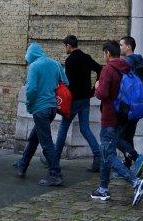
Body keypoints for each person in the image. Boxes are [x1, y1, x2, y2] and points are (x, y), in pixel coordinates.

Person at [90, 40, 143, 206]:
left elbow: (103, 93)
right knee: (108, 152)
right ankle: (102, 188)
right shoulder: (125, 67)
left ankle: (136, 182)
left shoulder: (108, 69)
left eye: (103, 53)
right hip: (123, 117)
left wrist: (96, 86)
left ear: (107, 53)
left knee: (108, 155)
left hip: (109, 118)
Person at [41, 35, 102, 172]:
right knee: (85, 129)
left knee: (63, 127)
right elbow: (100, 69)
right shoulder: (86, 57)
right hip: (85, 99)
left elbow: (67, 83)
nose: (65, 48)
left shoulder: (70, 61)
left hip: (73, 100)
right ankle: (98, 156)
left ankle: (54, 158)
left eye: (65, 46)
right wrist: (93, 89)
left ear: (69, 45)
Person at [12, 43, 69, 186]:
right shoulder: (55, 63)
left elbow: (31, 89)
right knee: (34, 138)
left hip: (40, 109)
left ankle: (55, 174)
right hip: (52, 108)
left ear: (31, 54)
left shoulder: (34, 66)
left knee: (46, 143)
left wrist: (30, 105)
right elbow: (65, 82)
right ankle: (22, 165)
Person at [112, 36, 143, 177]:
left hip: (126, 106)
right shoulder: (139, 61)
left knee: (115, 137)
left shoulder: (127, 62)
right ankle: (127, 166)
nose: (120, 47)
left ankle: (136, 157)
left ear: (128, 47)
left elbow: (123, 86)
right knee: (128, 136)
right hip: (137, 106)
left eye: (121, 45)